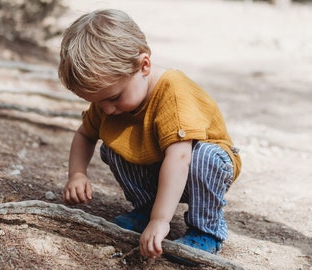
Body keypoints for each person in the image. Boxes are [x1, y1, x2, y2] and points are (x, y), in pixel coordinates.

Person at [58, 8, 241, 262]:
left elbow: (179, 157)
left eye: (113, 98)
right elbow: (85, 135)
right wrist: (77, 174)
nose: (107, 110)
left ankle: (205, 229)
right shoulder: (108, 102)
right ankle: (145, 207)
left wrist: (161, 220)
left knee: (205, 157)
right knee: (113, 145)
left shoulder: (173, 91)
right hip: (161, 167)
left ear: (144, 66)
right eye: (99, 103)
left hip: (200, 168)